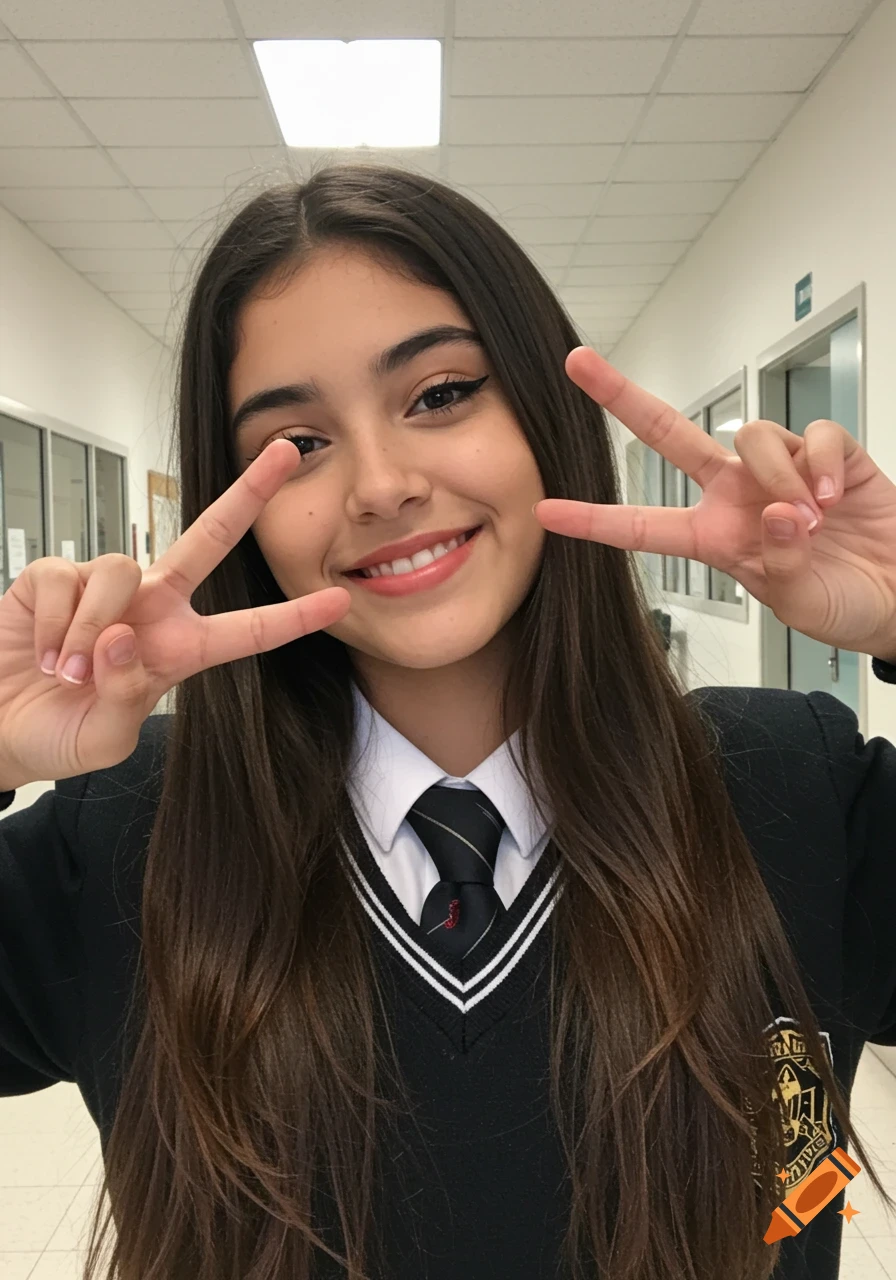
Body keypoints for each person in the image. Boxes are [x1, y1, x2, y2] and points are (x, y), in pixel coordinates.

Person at [1, 163, 896, 1280]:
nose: (379, 483)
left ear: (542, 413)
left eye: (438, 393)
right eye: (298, 446)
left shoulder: (790, 790)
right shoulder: (126, 836)